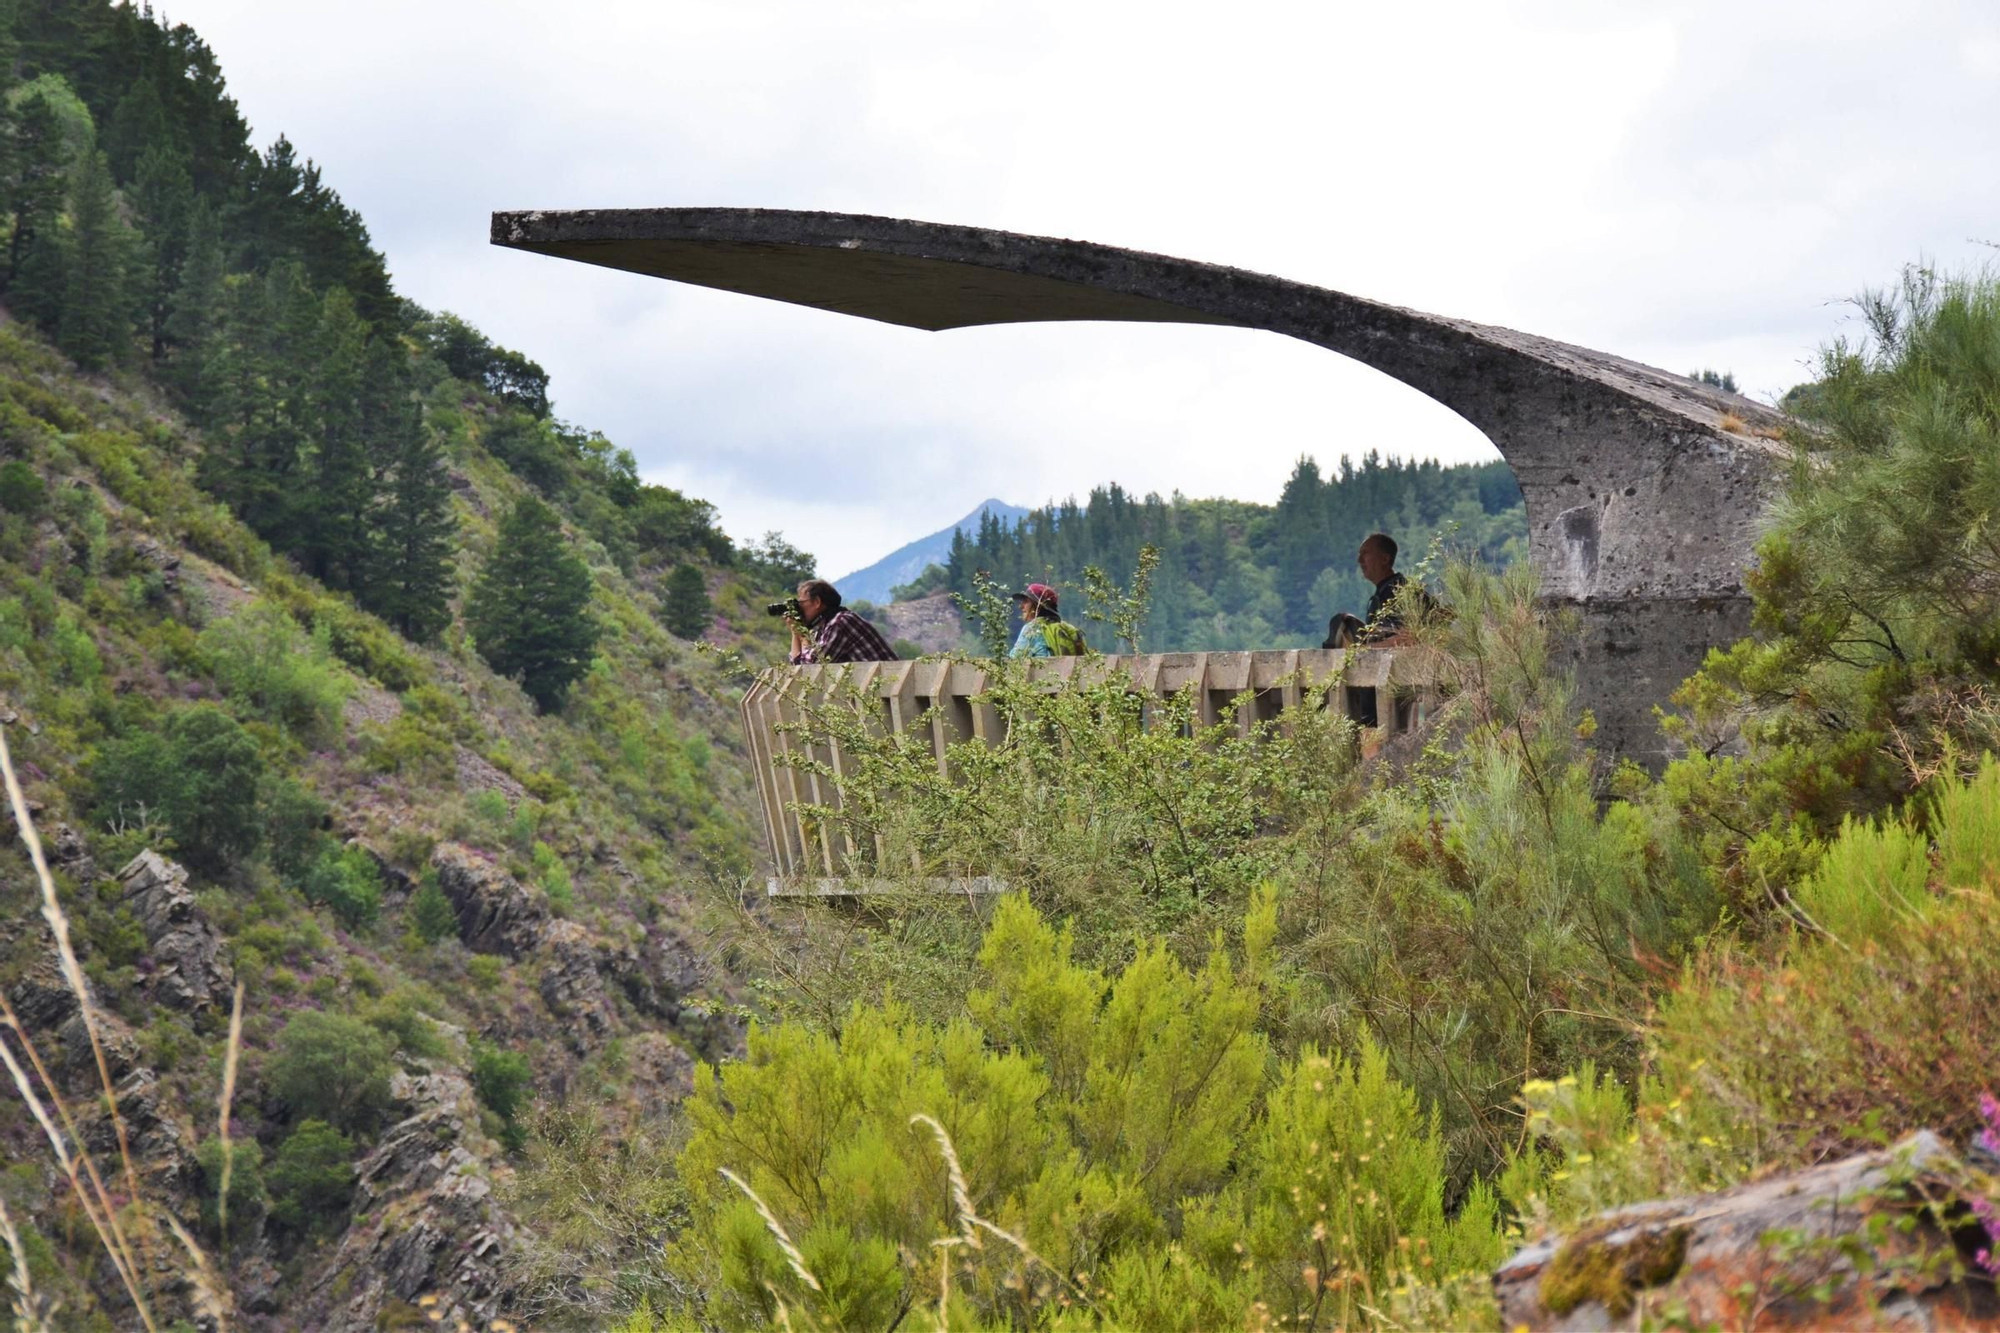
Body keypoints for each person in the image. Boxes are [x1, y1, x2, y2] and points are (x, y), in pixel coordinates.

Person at [1323, 533, 1424, 649]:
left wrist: (1365, 649)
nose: (1359, 560)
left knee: (1341, 623)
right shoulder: (1385, 590)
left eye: (1365, 553)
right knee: (1343, 622)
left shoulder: (1400, 591)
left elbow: (1408, 637)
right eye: (1359, 554)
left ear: (1385, 559)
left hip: (1398, 659)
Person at [788, 579, 898, 664]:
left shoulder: (840, 622)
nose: (799, 608)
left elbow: (811, 667)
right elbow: (799, 668)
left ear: (817, 602)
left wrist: (802, 636)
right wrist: (795, 631)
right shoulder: (825, 627)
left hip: (888, 688)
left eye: (801, 603)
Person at [1008, 583, 1087, 658]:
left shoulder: (1032, 629)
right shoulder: (1066, 629)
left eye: (1026, 602)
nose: (1021, 606)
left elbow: (1014, 659)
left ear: (1037, 605)